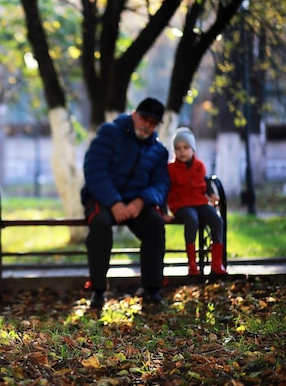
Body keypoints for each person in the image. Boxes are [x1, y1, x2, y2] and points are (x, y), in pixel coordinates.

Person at [81, 97, 170, 309]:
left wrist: (141, 201)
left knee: (155, 225)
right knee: (100, 224)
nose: (147, 126)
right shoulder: (109, 133)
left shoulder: (159, 150)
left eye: (153, 123)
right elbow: (95, 170)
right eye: (145, 120)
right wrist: (114, 202)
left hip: (135, 203)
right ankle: (98, 290)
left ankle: (152, 290)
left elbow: (161, 183)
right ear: (134, 115)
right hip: (101, 197)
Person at [166, 127, 227, 276]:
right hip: (181, 204)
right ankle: (192, 264)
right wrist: (163, 209)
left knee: (216, 219)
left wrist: (212, 195)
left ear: (192, 149)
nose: (182, 152)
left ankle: (216, 263)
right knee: (192, 220)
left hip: (199, 201)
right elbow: (165, 189)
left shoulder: (199, 166)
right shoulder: (171, 168)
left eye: (186, 148)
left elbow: (205, 183)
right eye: (178, 148)